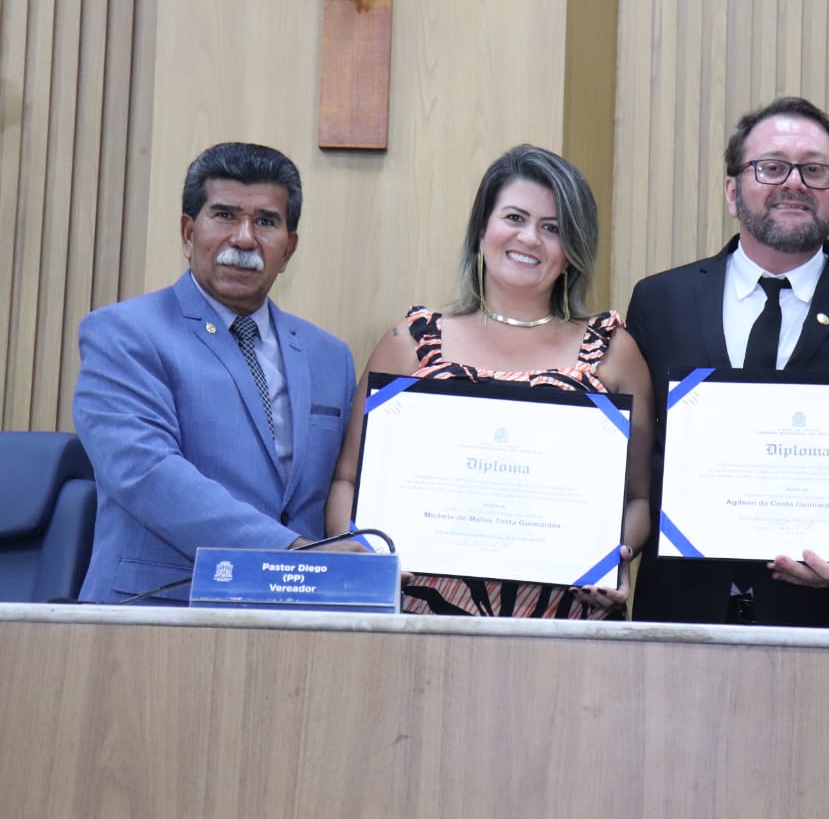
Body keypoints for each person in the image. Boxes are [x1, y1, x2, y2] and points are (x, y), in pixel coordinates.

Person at [625, 96, 829, 628]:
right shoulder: (660, 301)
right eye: (770, 167)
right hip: (679, 623)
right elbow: (637, 461)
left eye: (815, 170)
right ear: (732, 190)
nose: (794, 182)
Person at [326, 144, 653, 619]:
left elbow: (639, 497)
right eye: (515, 217)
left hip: (566, 625)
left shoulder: (612, 350)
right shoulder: (412, 342)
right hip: (418, 618)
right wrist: (361, 555)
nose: (530, 239)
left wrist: (614, 556)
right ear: (482, 229)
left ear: (574, 249)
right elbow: (346, 481)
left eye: (553, 228)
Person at [75, 142, 361, 605]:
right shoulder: (124, 334)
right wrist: (288, 552)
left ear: (289, 249)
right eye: (225, 215)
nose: (244, 239)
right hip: (154, 617)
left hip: (301, 624)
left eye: (266, 221)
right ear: (189, 233)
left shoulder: (330, 357)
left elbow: (342, 488)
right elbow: (146, 472)